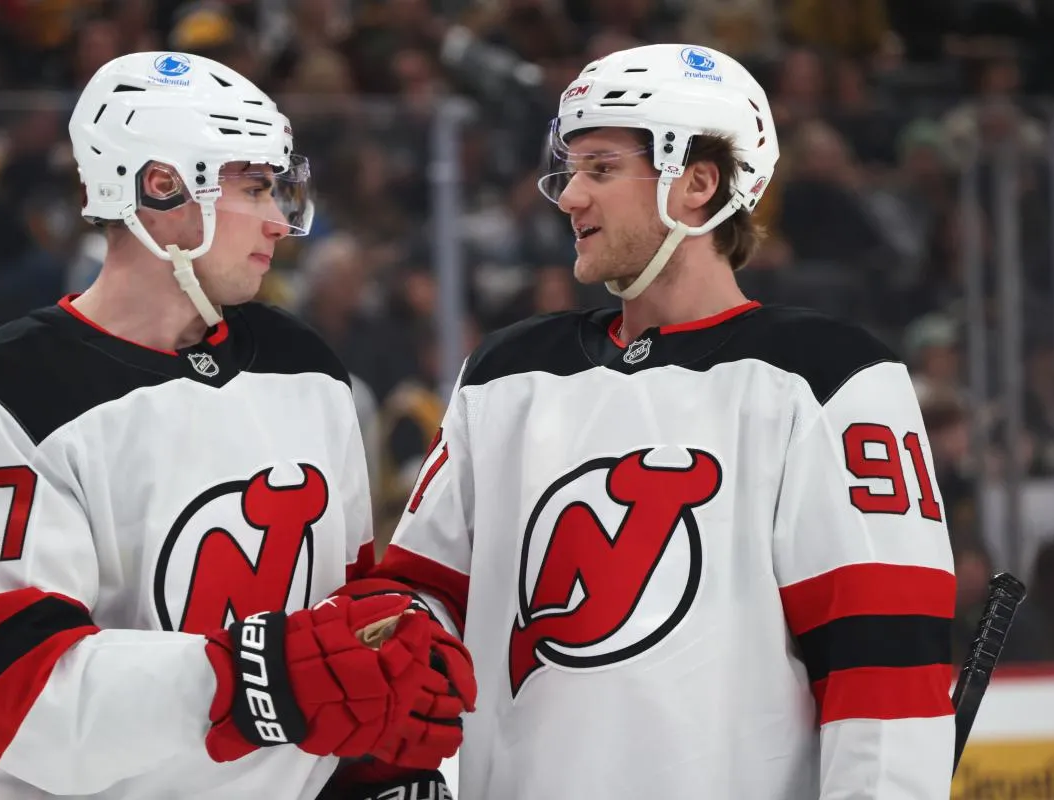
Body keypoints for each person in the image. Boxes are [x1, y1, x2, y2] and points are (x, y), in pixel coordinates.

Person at [343, 44, 957, 798]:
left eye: (602, 170)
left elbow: (885, 667)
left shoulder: (827, 377)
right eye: (571, 170)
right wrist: (385, 679)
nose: (570, 197)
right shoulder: (505, 374)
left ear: (697, 183)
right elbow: (420, 594)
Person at [0, 51, 473, 800]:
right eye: (252, 187)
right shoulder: (5, 390)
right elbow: (27, 709)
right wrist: (258, 676)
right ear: (161, 185)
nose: (278, 221)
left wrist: (376, 753)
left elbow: (338, 621)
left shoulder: (302, 363)